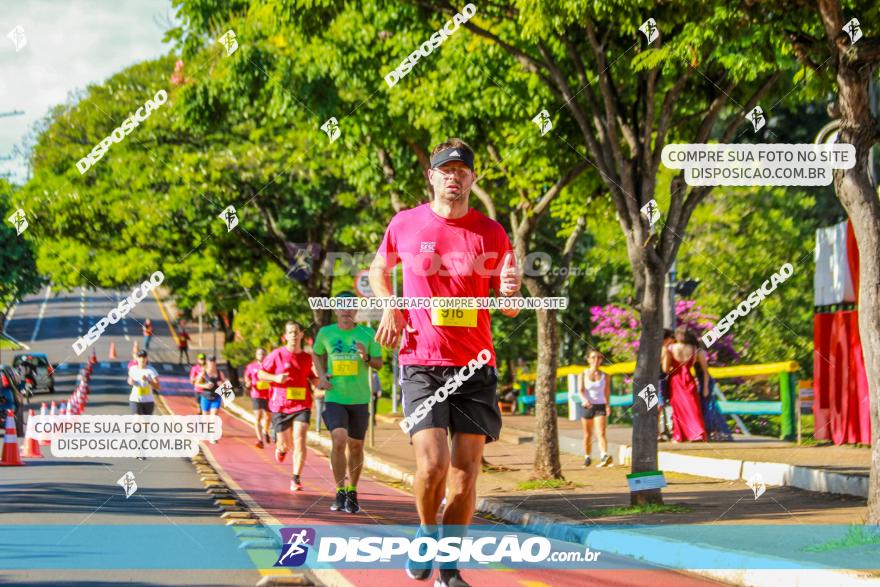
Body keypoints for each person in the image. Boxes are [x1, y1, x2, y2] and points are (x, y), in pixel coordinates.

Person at [369, 138, 521, 587]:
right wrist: (390, 303)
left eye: (462, 170)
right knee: (432, 465)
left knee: (464, 476)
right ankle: (424, 531)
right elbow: (379, 269)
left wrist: (511, 291)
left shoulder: (491, 232)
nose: (454, 177)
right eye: (445, 170)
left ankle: (448, 569)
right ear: (431, 177)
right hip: (421, 361)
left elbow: (508, 306)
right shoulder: (405, 223)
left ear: (472, 179)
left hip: (475, 366)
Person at [312, 292, 383, 514]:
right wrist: (321, 376)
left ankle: (352, 491)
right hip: (335, 397)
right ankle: (340, 491)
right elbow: (315, 354)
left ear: (356, 310)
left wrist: (365, 358)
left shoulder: (368, 333)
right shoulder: (326, 333)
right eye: (342, 307)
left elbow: (379, 363)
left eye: (350, 307)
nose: (346, 312)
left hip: (360, 399)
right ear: (336, 310)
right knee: (339, 439)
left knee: (356, 447)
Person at [259, 321, 317, 492]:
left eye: (296, 332)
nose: (293, 335)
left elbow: (313, 377)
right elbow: (261, 374)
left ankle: (296, 478)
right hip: (280, 406)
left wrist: (319, 379)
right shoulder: (276, 355)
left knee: (300, 437)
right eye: (290, 332)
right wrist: (276, 378)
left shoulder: (307, 358)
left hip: (302, 404)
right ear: (285, 336)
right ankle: (281, 448)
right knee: (285, 444)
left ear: (301, 335)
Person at [662, 326, 708, 442]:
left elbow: (666, 369)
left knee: (678, 408)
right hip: (689, 378)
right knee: (693, 407)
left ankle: (681, 434)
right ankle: (698, 433)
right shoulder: (694, 349)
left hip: (676, 379)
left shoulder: (671, 348)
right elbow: (704, 370)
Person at [691, 333, 733, 441]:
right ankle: (712, 431)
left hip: (706, 381)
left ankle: (717, 431)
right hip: (701, 380)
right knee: (705, 406)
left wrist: (705, 387)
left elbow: (705, 372)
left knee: (709, 406)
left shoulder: (700, 353)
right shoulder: (694, 352)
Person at [576, 350, 612, 467]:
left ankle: (604, 455)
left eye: (599, 358)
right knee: (587, 434)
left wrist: (607, 405)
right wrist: (584, 399)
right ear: (589, 360)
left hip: (600, 405)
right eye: (593, 357)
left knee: (601, 432)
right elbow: (580, 391)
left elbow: (607, 392)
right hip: (587, 406)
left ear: (601, 360)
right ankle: (587, 456)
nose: (596, 360)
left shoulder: (605, 375)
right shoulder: (583, 374)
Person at [127, 350, 160, 459]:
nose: (142, 359)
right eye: (140, 357)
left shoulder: (151, 371)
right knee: (137, 421)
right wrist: (130, 381)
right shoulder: (132, 369)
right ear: (137, 359)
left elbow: (158, 386)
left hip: (148, 401)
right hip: (135, 400)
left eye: (143, 357)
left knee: (145, 427)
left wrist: (149, 381)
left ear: (146, 359)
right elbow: (129, 380)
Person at [244, 348, 271, 448]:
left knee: (268, 417)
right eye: (259, 354)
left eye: (263, 354)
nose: (261, 356)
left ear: (266, 355)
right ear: (256, 356)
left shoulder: (270, 366)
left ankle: (266, 431)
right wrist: (248, 382)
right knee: (258, 417)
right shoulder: (251, 366)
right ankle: (260, 440)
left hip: (268, 395)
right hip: (256, 394)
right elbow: (247, 377)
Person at [195, 356, 226, 434]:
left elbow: (226, 387)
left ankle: (212, 435)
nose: (211, 364)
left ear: (215, 363)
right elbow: (196, 383)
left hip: (216, 397)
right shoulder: (204, 372)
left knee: (214, 416)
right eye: (210, 362)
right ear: (207, 363)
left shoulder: (220, 373)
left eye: (213, 362)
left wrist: (221, 384)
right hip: (205, 397)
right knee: (205, 418)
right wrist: (205, 386)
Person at [657, 329, 675, 441]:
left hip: (647, 380)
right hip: (659, 380)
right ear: (667, 339)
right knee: (659, 407)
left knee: (651, 406)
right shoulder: (665, 350)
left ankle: (657, 431)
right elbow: (665, 369)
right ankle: (660, 433)